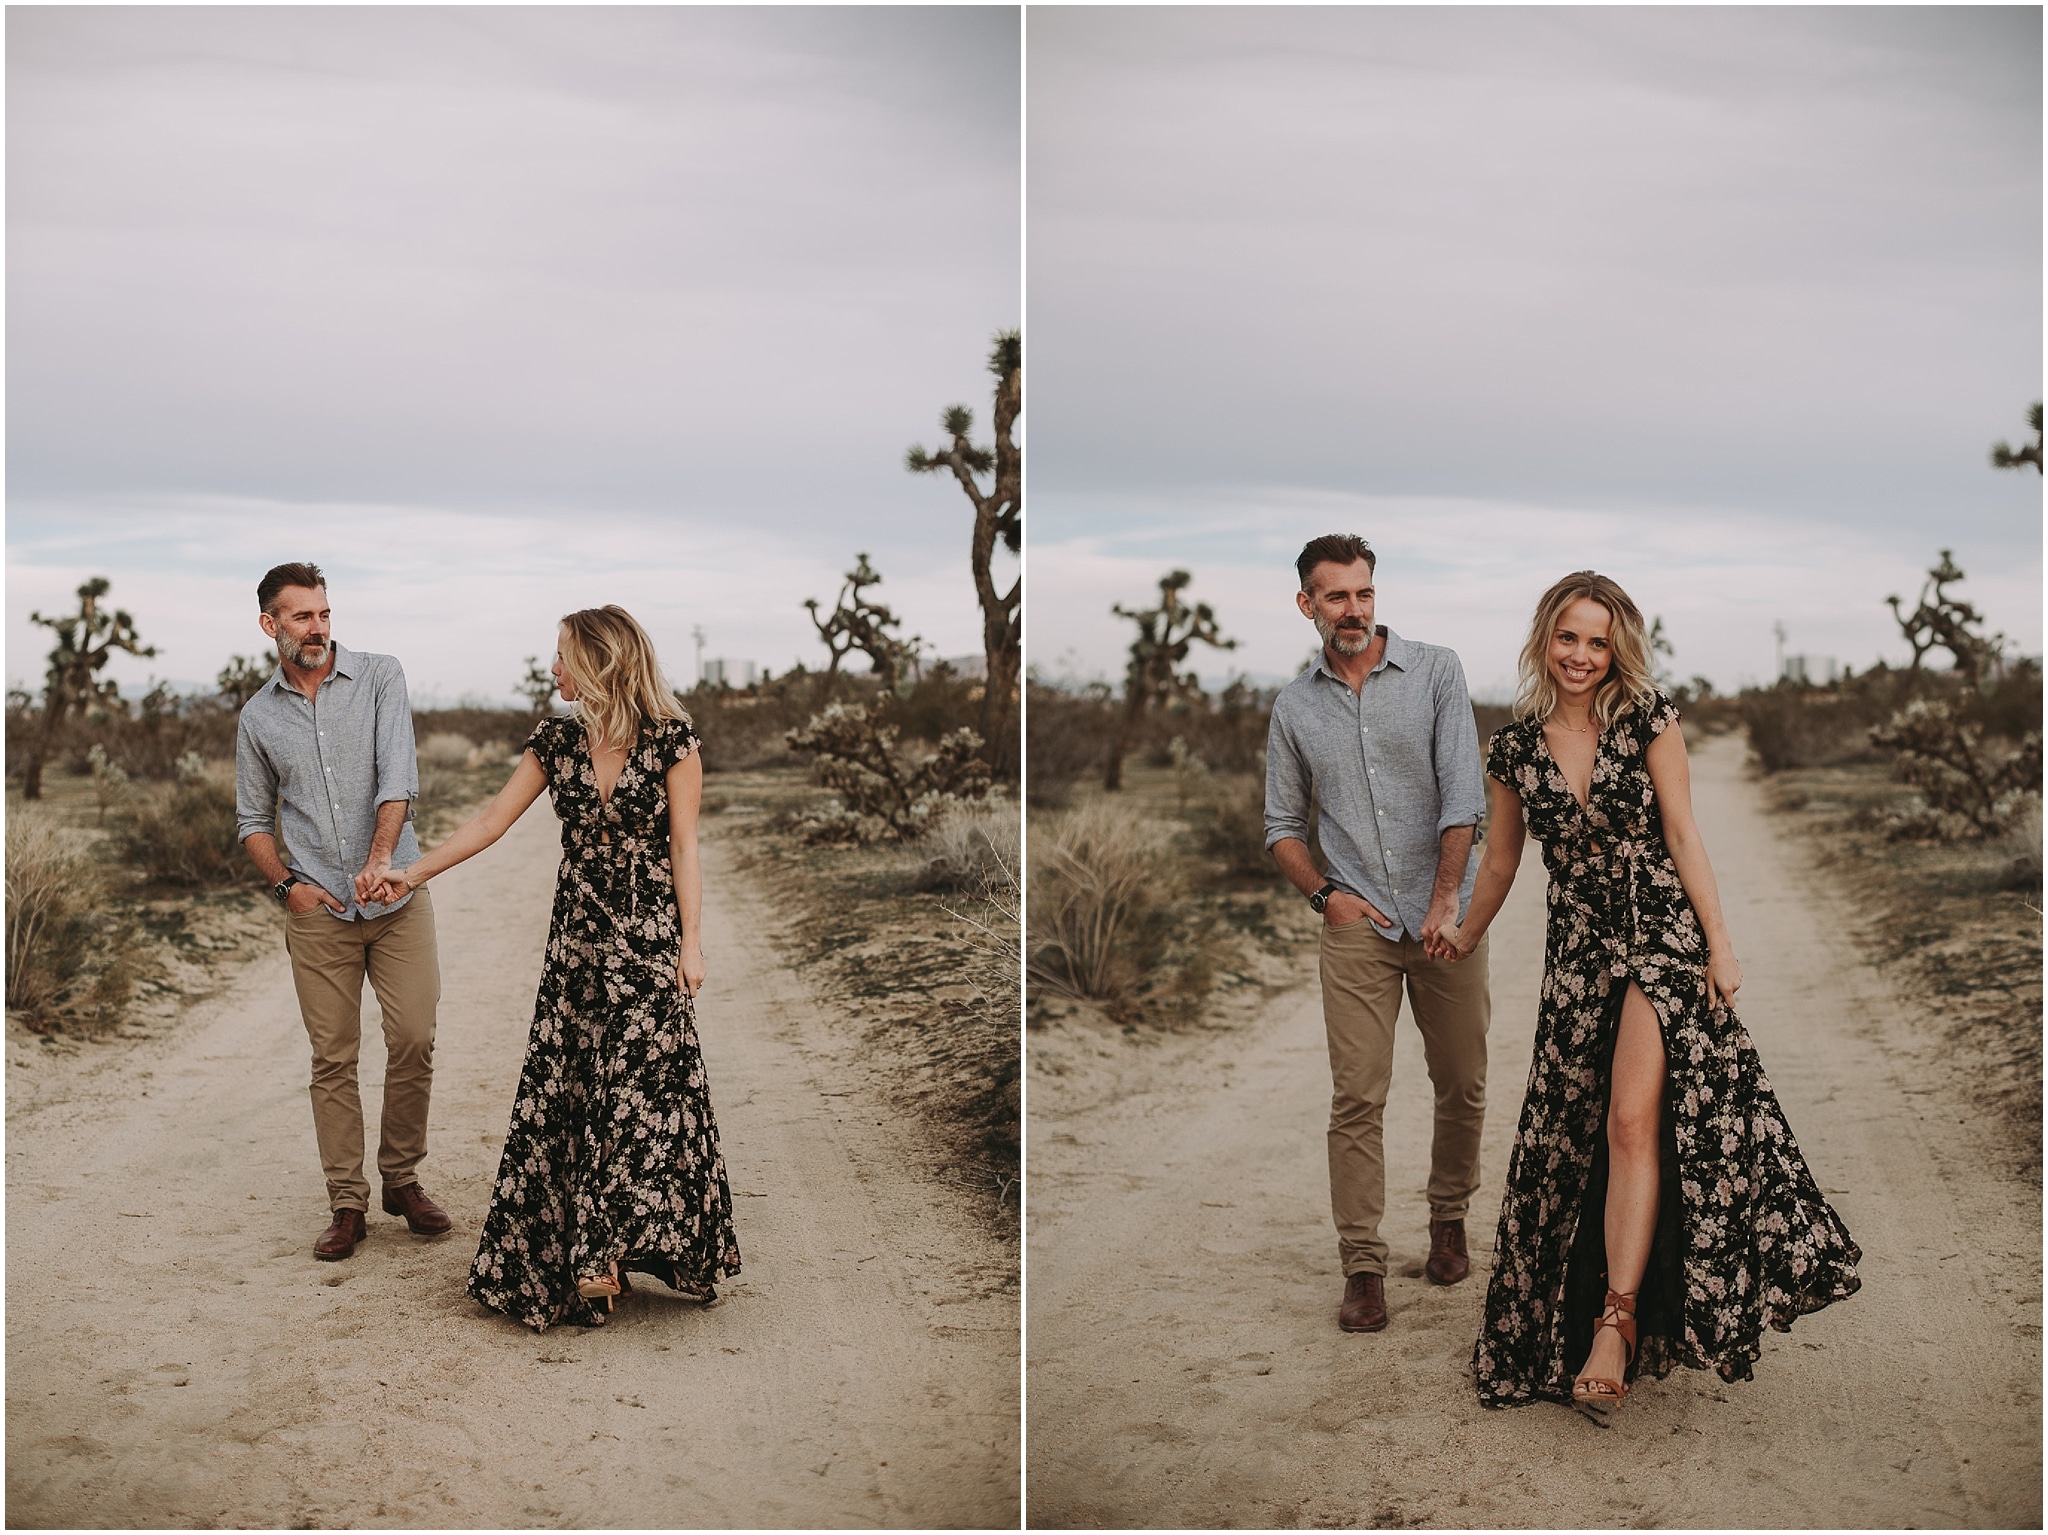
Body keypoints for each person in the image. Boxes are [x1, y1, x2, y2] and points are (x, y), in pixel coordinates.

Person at [1432, 571, 1860, 1414]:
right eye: (1567, 637)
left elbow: (1682, 832)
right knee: (1569, 1134)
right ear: (1543, 640)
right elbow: (1509, 860)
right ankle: (1583, 1312)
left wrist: (1721, 943)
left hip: (1662, 939)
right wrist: (1465, 930)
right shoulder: (1515, 750)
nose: (1582, 655)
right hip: (1581, 954)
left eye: (1597, 640)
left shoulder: (1649, 718)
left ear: (1617, 644)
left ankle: (1615, 1323)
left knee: (1633, 1117)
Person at [370, 604, 740, 1331]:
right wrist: (411, 875)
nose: (552, 668)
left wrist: (691, 943)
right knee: (574, 1085)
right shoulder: (556, 741)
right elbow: (489, 822)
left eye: (562, 655)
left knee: (641, 1089)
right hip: (577, 943)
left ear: (598, 662)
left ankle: (607, 1251)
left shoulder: (673, 741)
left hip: (646, 937)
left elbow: (687, 849)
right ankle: (591, 1253)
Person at [1264, 534, 1491, 1334]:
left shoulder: (1436, 671)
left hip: (1444, 919)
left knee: (1461, 1079)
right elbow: (1283, 826)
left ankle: (1448, 1216)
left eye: (1362, 593)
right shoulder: (1295, 706)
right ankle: (1362, 1263)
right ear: (1308, 605)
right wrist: (1326, 893)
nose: (1353, 609)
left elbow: (1464, 798)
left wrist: (1442, 905)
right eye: (1335, 597)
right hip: (1357, 922)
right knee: (1357, 1094)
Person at [235, 561, 452, 1261]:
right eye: (301, 616)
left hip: (395, 898)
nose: (318, 627)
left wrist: (382, 858)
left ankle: (402, 1178)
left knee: (414, 1034)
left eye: (324, 613)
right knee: (332, 1056)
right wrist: (285, 887)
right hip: (318, 909)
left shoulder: (382, 675)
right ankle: (347, 1202)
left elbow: (399, 779)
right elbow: (251, 820)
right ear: (271, 625)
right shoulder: (257, 716)